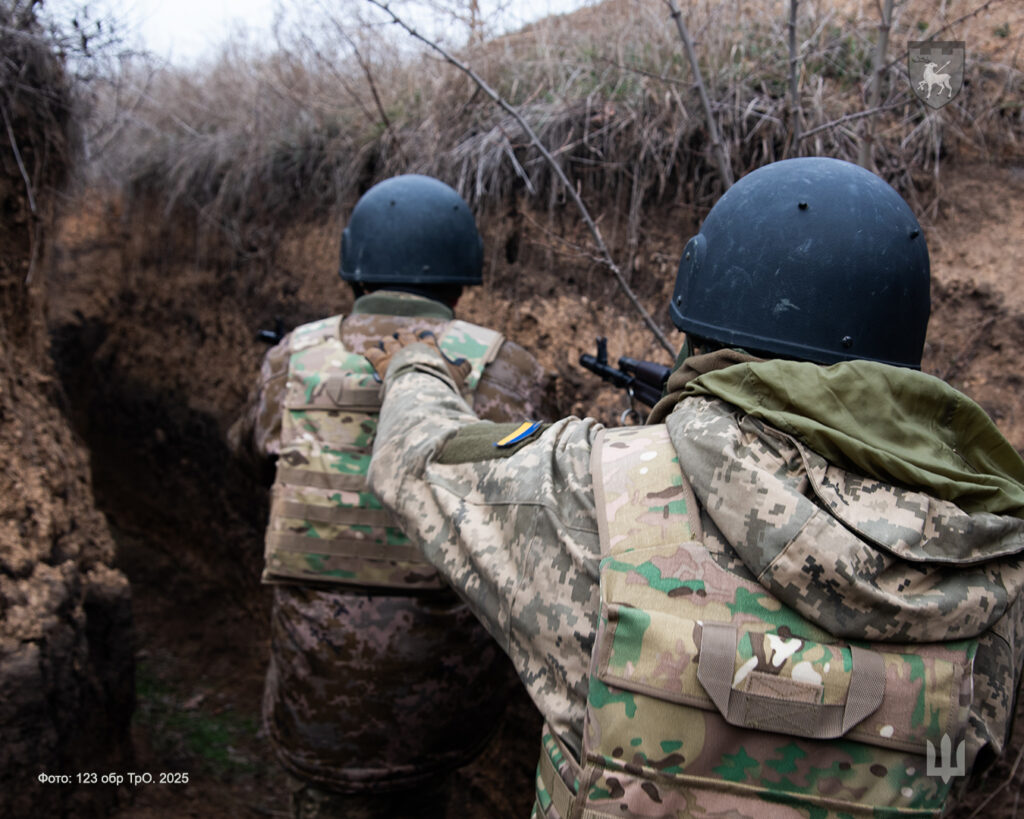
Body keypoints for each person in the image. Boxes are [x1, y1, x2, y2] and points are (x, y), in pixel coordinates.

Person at [365, 157, 1024, 818]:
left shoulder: (591, 490)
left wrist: (417, 357)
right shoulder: (995, 557)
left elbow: (413, 451)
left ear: (701, 310)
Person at [229, 174, 551, 818]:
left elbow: (251, 456)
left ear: (353, 265)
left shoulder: (292, 358)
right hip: (447, 709)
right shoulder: (510, 369)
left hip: (313, 693)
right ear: (463, 273)